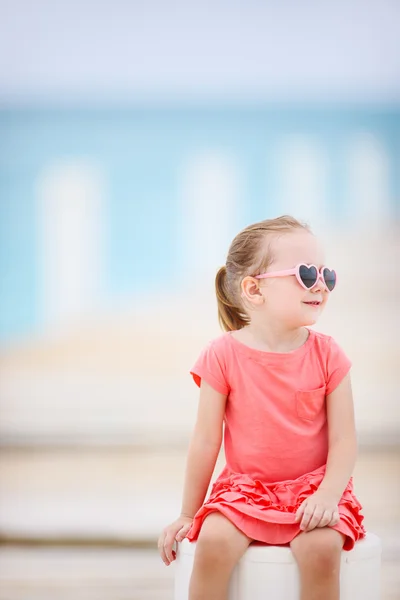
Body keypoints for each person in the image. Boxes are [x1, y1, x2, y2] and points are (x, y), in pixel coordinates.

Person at [158, 215, 365, 600]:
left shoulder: (329, 355)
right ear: (254, 289)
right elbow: (206, 442)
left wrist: (327, 495)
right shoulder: (222, 355)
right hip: (245, 491)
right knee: (213, 545)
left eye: (326, 275)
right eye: (305, 274)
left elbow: (344, 441)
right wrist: (188, 513)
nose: (319, 286)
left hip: (314, 488)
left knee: (321, 551)